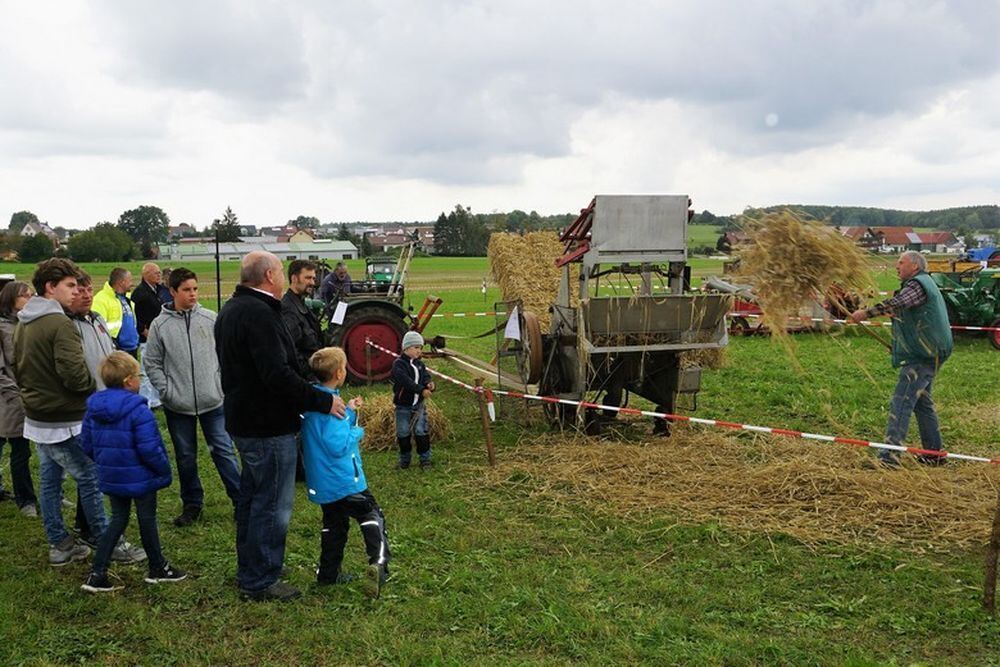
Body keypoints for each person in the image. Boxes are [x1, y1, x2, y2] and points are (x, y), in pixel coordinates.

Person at [216, 251, 345, 602]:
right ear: (271, 275)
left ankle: (254, 565)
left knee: (252, 498)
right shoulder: (260, 314)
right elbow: (276, 374)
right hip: (266, 424)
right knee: (271, 503)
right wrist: (322, 400)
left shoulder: (231, 309)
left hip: (244, 419)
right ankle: (260, 580)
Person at [12, 258, 142, 566]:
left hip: (39, 413)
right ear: (50, 287)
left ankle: (60, 543)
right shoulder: (58, 322)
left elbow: (19, 367)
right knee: (90, 475)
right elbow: (74, 374)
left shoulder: (24, 321)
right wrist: (92, 387)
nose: (76, 292)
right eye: (70, 286)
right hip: (65, 415)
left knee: (50, 478)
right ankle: (106, 539)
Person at [80, 352, 185, 593]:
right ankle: (158, 567)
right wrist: (163, 469)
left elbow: (86, 443)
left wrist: (106, 462)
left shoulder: (93, 409)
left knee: (118, 519)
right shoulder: (139, 411)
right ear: (129, 381)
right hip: (142, 477)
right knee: (147, 520)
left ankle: (97, 573)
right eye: (138, 376)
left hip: (112, 475)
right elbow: (150, 448)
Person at [144, 268, 241, 527]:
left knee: (224, 451)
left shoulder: (211, 319)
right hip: (178, 404)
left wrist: (220, 384)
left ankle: (241, 501)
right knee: (186, 456)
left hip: (213, 401)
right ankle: (192, 504)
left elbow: (226, 354)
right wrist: (167, 391)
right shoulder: (159, 325)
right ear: (173, 291)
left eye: (195, 289)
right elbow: (151, 362)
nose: (193, 295)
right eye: (187, 290)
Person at [850, 251, 954, 468]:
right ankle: (933, 453)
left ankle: (889, 458)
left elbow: (898, 303)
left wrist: (866, 313)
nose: (897, 266)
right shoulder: (924, 282)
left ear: (915, 266)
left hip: (924, 354)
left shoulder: (916, 284)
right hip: (932, 350)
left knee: (902, 402)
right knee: (922, 402)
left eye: (901, 262)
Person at [302, 347, 390, 598]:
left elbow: (330, 430)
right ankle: (379, 565)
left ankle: (328, 574)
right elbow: (338, 445)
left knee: (334, 526)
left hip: (325, 485)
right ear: (340, 373)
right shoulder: (328, 411)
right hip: (345, 482)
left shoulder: (316, 400)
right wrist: (357, 431)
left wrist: (349, 410)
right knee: (372, 515)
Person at [0, 280, 38, 517]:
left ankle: (42, 496)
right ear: (11, 300)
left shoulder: (29, 325)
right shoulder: (3, 328)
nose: (30, 299)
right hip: (9, 400)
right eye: (25, 296)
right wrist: (14, 394)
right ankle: (26, 501)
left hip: (31, 395)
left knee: (33, 449)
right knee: (17, 448)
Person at [391, 331, 435, 469]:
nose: (419, 351)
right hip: (403, 406)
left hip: (419, 405)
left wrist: (429, 384)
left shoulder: (420, 364)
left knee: (421, 431)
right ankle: (405, 459)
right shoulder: (399, 365)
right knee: (403, 432)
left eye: (420, 348)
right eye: (416, 347)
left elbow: (425, 376)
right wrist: (421, 390)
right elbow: (406, 382)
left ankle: (425, 459)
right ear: (406, 348)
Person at [128, 262, 165, 408]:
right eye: (156, 272)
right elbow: (136, 315)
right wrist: (143, 331)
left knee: (158, 367)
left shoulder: (157, 290)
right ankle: (147, 400)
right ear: (146, 275)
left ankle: (157, 399)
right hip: (146, 337)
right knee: (145, 369)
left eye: (159, 272)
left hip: (158, 335)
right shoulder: (140, 293)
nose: (159, 275)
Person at [281, 260, 324, 378]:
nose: (312, 283)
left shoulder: (301, 304)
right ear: (294, 278)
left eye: (313, 279)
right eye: (308, 278)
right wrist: (311, 378)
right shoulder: (288, 309)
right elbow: (292, 351)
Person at [92, 267, 140, 358]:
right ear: (122, 282)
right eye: (130, 280)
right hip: (116, 350)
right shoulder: (101, 300)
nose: (132, 284)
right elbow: (97, 327)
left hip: (132, 349)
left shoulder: (127, 297)